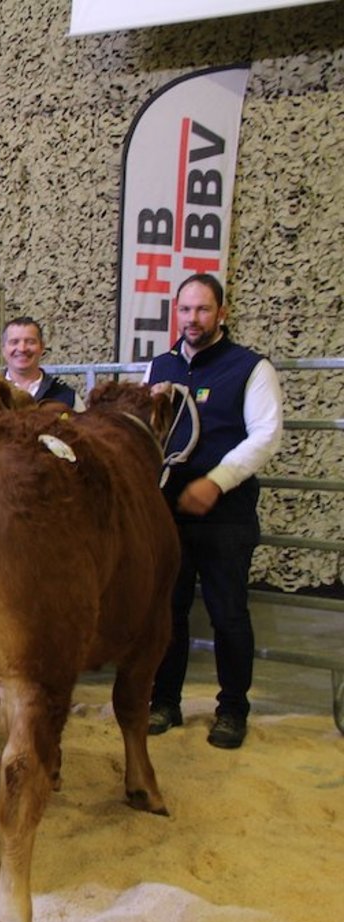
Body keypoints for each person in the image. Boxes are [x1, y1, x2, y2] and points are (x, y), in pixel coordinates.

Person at [146, 273, 283, 750]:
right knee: (169, 611)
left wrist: (215, 482)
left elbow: (265, 435)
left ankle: (232, 710)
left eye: (203, 310)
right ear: (176, 312)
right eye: (185, 310)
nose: (193, 319)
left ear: (221, 313)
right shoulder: (160, 366)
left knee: (228, 615)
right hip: (169, 512)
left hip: (226, 514)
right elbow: (147, 434)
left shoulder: (250, 367)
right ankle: (165, 702)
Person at [0, 316, 83, 410]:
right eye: (14, 342)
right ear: (3, 349)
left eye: (30, 342)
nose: (22, 348)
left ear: (42, 347)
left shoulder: (67, 397)